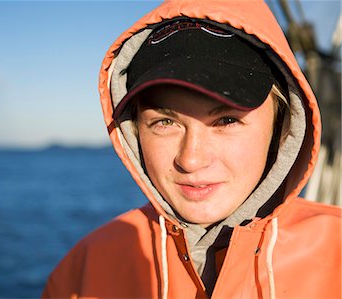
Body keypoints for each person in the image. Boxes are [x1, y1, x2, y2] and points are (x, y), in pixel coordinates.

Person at [43, 1, 341, 298]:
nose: (191, 159)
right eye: (164, 122)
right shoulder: (86, 269)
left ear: (281, 125)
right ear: (133, 130)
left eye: (226, 120)